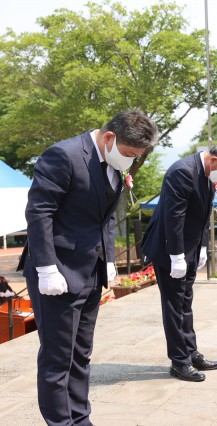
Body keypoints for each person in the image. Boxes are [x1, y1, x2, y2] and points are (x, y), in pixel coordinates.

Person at [19, 109, 158, 426]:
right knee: (58, 358)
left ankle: (80, 418)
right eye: (128, 154)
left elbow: (105, 217)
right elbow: (39, 214)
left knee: (81, 353)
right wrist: (46, 267)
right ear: (110, 137)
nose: (131, 162)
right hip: (57, 272)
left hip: (90, 272)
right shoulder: (64, 155)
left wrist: (108, 260)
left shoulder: (112, 162)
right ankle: (60, 422)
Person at [141, 142, 217, 382]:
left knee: (185, 302)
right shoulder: (182, 172)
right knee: (174, 305)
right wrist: (176, 256)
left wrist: (204, 247)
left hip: (191, 247)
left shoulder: (206, 173)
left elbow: (202, 215)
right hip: (170, 249)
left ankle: (190, 351)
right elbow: (174, 216)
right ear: (215, 159)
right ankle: (179, 361)